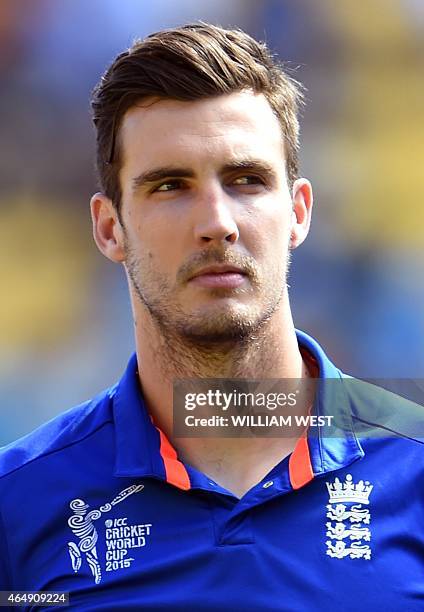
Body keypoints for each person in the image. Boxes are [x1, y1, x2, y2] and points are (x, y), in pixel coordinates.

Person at [0, 22, 423, 611]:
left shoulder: (415, 466)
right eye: (170, 186)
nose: (217, 222)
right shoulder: (17, 506)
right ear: (108, 227)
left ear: (298, 211)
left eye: (246, 180)